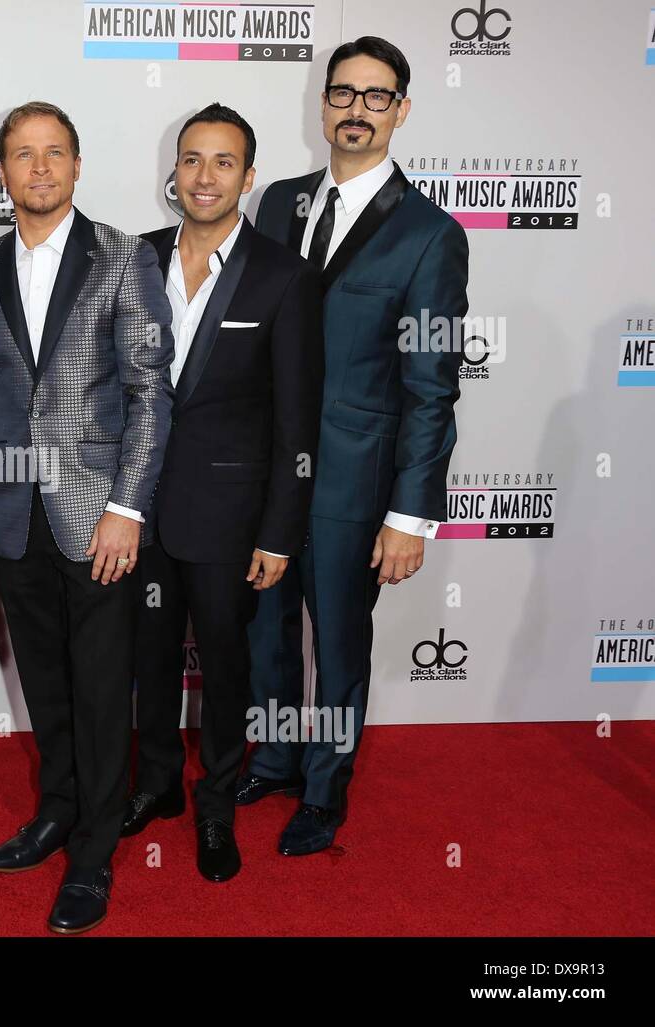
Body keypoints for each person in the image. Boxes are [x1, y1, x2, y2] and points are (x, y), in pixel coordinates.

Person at [0, 102, 174, 934]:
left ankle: (96, 853)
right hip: (10, 513)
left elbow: (149, 393)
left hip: (96, 515)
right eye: (22, 155)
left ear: (76, 165)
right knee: (47, 685)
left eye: (54, 153)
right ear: (2, 170)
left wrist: (126, 506)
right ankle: (58, 812)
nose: (38, 168)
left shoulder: (124, 255)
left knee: (103, 692)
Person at [243, 36, 469, 855]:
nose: (357, 110)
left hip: (352, 481)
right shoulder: (277, 204)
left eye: (378, 97)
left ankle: (325, 788)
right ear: (323, 103)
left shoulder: (431, 235)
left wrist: (411, 513)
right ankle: (271, 756)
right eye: (344, 93)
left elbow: (433, 384)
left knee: (336, 639)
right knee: (265, 629)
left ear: (402, 110)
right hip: (267, 475)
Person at [123, 104, 323, 882]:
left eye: (224, 162)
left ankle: (216, 805)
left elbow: (294, 418)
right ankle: (157, 784)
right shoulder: (133, 259)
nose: (205, 177)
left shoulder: (284, 276)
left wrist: (279, 532)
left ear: (248, 174)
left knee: (228, 668)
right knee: (149, 656)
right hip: (138, 511)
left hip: (232, 518)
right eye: (193, 160)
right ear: (173, 170)